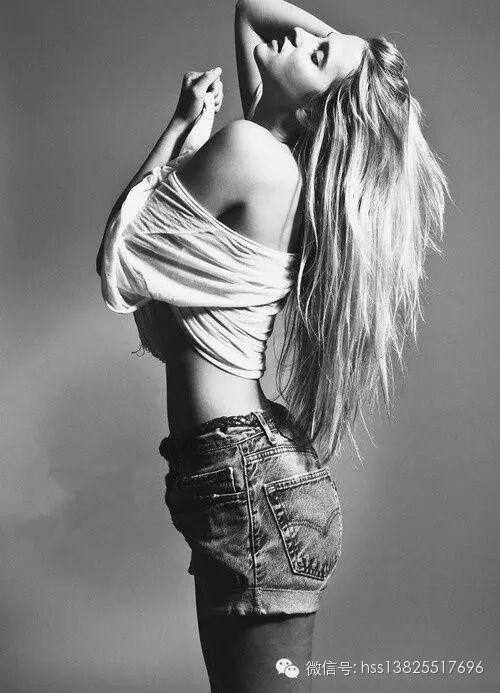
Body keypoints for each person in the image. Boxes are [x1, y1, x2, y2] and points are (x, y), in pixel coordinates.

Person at [96, 1, 449, 690]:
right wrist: (342, 52)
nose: (301, 35)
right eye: (319, 34)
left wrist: (179, 128)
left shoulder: (254, 156)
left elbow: (120, 260)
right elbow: (253, 8)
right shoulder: (272, 153)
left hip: (246, 480)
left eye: (318, 52)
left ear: (321, 110)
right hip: (238, 471)